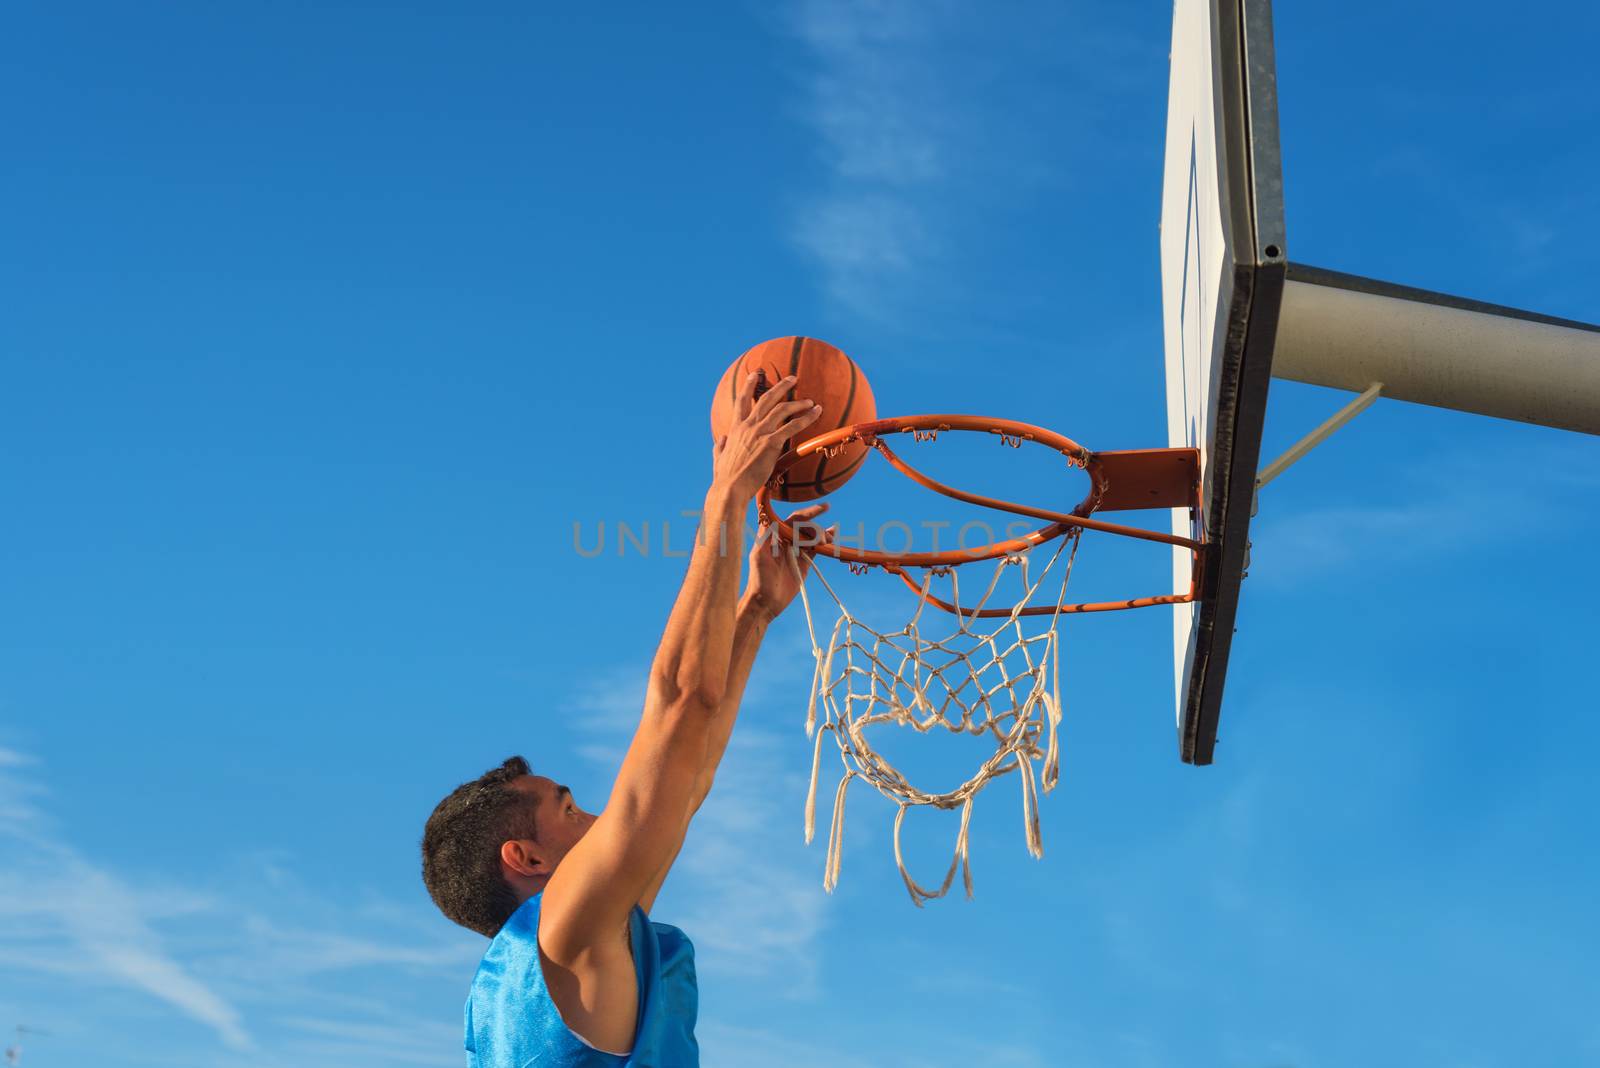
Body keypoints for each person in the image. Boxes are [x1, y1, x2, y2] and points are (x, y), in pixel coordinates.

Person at [421, 372, 827, 1067]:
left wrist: (754, 614)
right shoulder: (564, 930)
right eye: (568, 806)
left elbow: (685, 778)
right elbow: (678, 705)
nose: (595, 813)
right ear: (527, 859)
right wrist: (725, 495)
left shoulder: (539, 973)